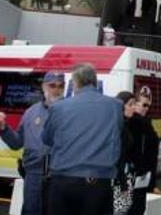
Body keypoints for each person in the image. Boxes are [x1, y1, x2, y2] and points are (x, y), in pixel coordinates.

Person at [42, 63, 123, 215]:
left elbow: (46, 139)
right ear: (94, 81)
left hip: (64, 180)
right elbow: (117, 136)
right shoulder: (115, 106)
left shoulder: (59, 108)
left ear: (75, 83)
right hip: (100, 181)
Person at [0, 71, 65, 215]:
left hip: (59, 175)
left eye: (60, 86)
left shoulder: (71, 112)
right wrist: (3, 127)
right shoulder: (31, 112)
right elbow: (16, 142)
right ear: (44, 87)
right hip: (34, 174)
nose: (56, 90)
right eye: (52, 86)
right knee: (30, 210)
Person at [114, 90, 160, 215]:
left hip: (139, 176)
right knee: (128, 208)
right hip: (130, 176)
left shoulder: (143, 123)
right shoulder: (129, 123)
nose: (146, 108)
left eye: (148, 106)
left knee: (134, 207)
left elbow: (151, 154)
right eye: (144, 105)